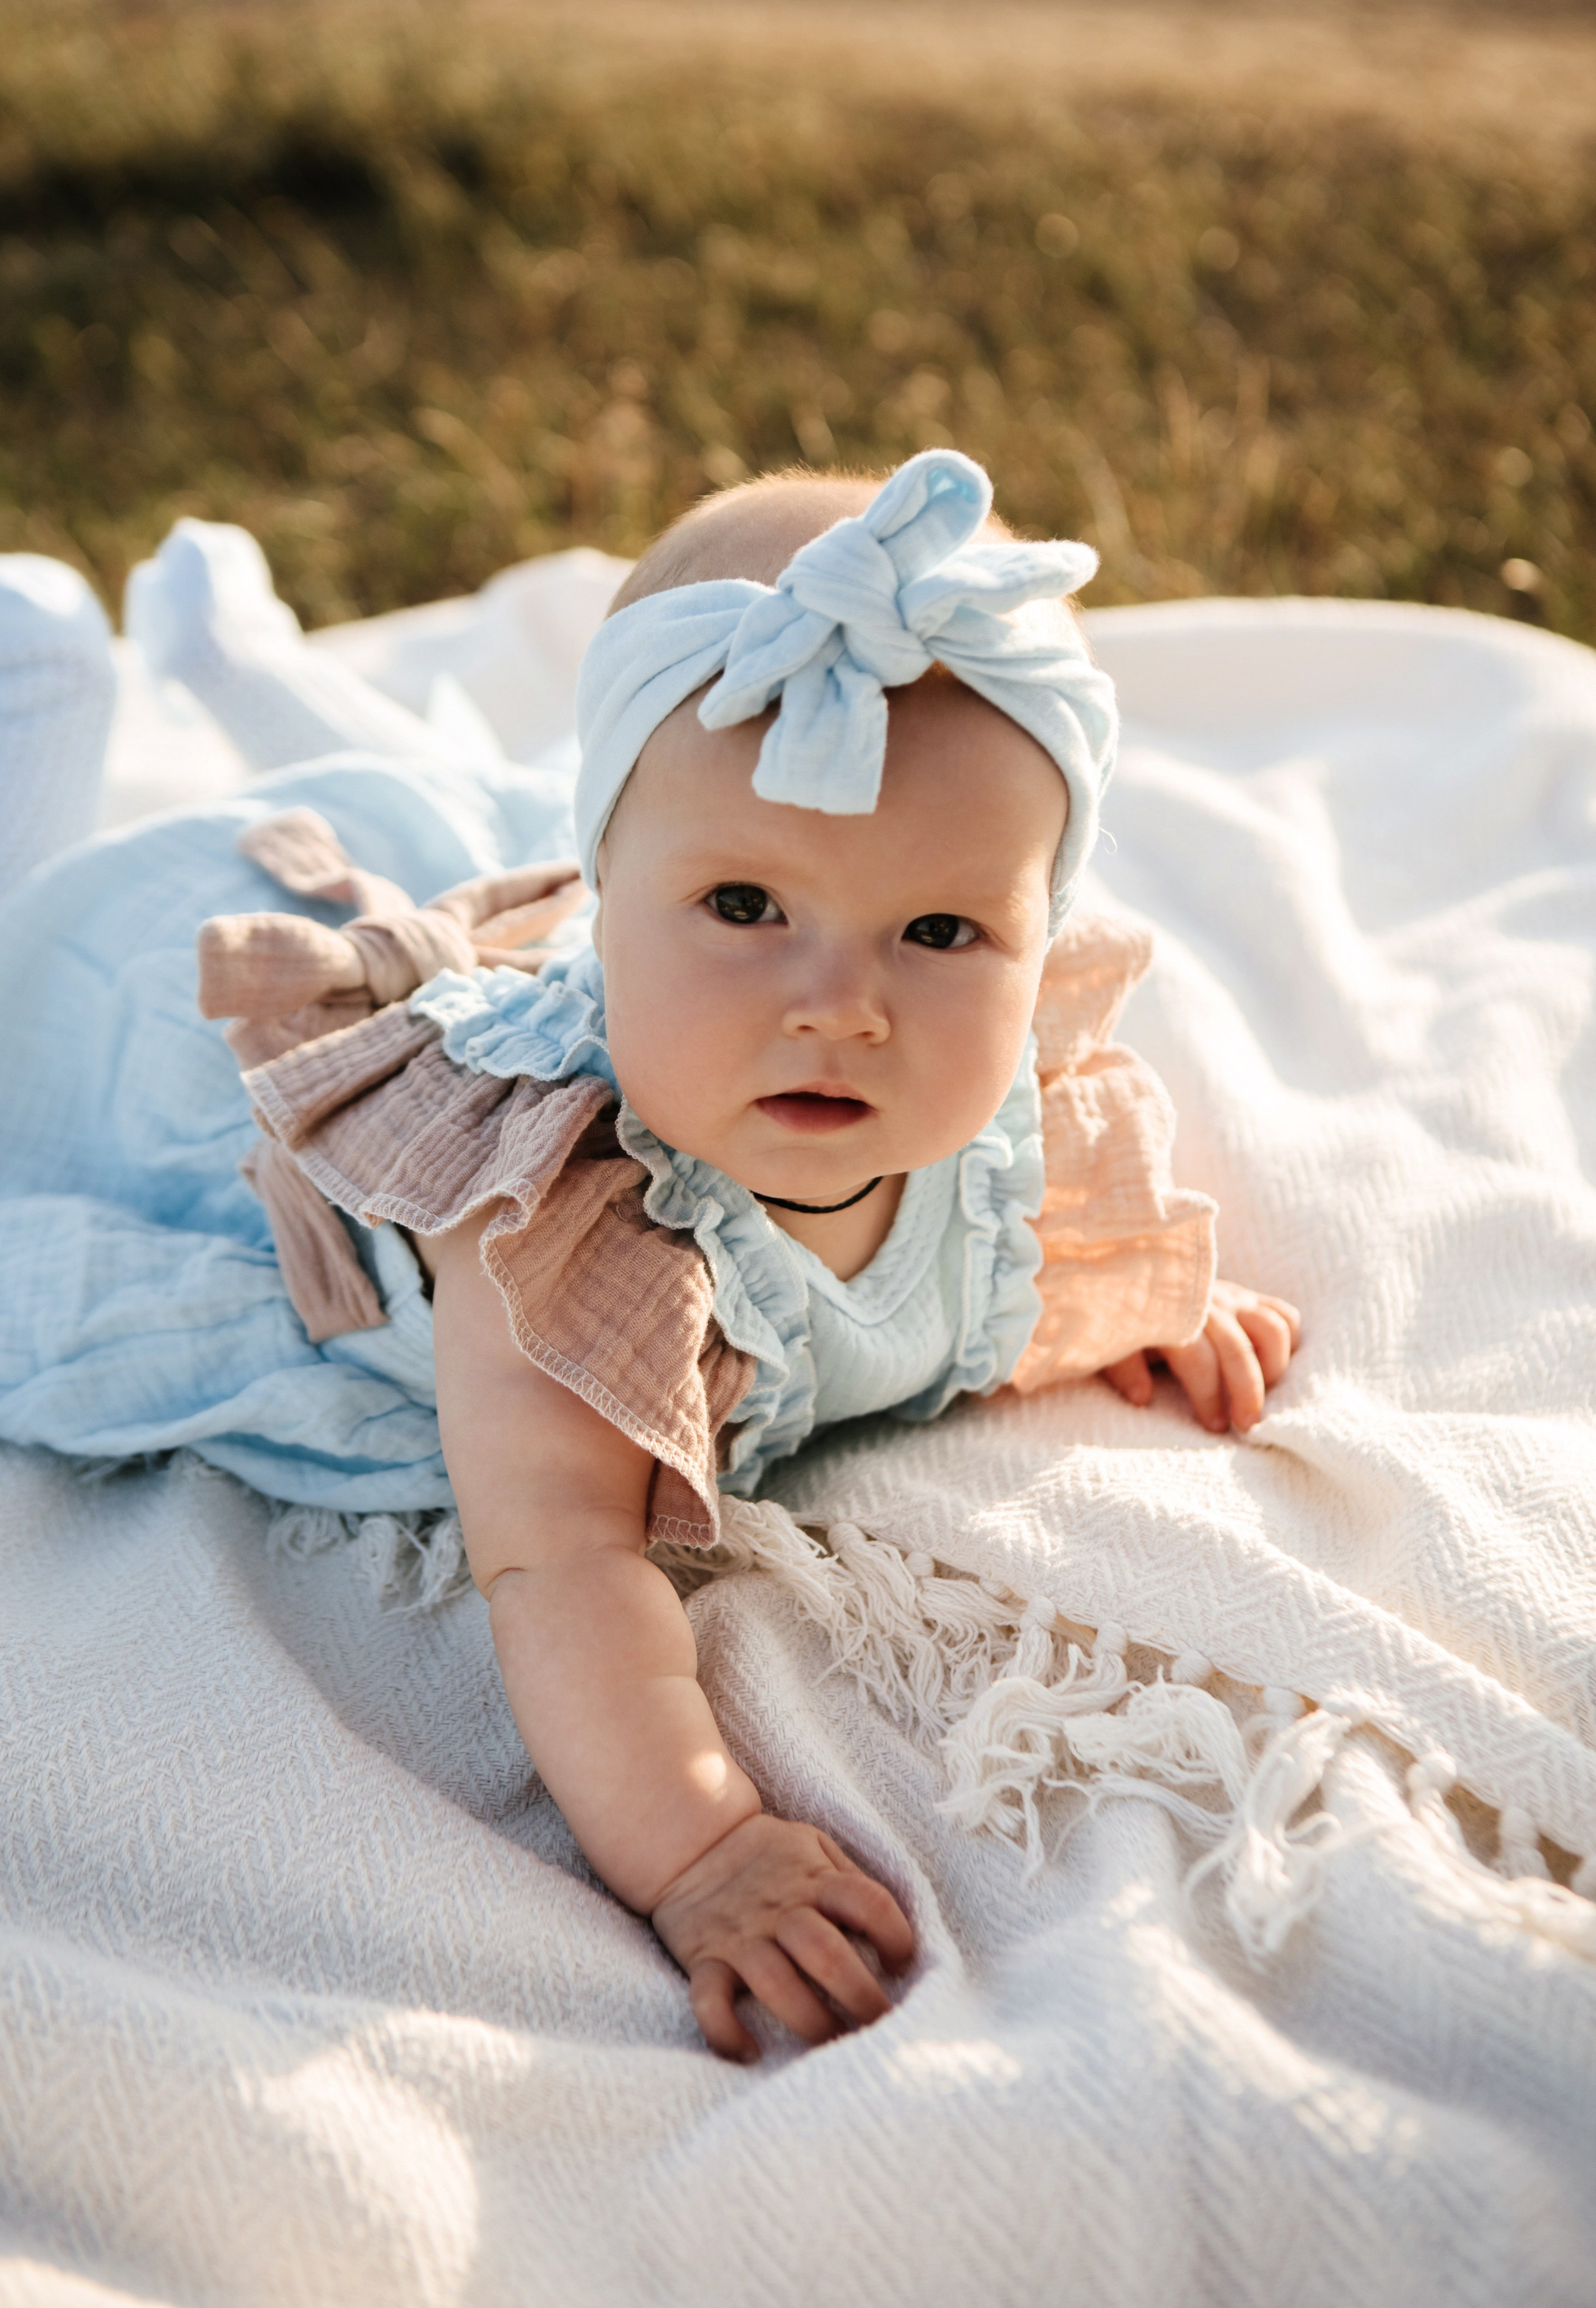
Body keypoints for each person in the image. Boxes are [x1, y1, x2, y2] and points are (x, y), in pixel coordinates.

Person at [0, 450, 1299, 2060]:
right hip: (172, 1065)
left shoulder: (1012, 1110)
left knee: (441, 816)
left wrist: (1145, 1292)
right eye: (747, 903)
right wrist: (701, 1849)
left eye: (944, 933)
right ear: (612, 903)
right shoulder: (557, 1224)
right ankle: (39, 700)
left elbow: (1020, 1237)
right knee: (47, 946)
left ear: (1038, 933)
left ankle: (237, 667)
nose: (841, 1002)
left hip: (568, 863)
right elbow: (564, 1560)